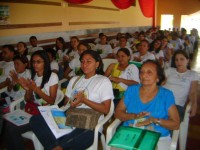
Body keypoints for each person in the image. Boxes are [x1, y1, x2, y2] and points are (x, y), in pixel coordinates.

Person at [30, 50, 114, 150]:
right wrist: (72, 102)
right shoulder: (75, 80)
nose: (84, 64)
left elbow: (106, 109)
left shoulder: (103, 81)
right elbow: (66, 103)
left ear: (97, 63)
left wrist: (83, 100)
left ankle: (56, 146)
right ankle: (55, 146)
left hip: (89, 125)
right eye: (82, 61)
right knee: (36, 119)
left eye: (88, 61)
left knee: (64, 142)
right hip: (69, 118)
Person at [115, 60, 180, 150]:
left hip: (157, 136)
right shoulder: (131, 90)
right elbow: (118, 113)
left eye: (149, 72)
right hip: (131, 132)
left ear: (158, 78)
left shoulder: (166, 95)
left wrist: (154, 120)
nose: (144, 75)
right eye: (141, 72)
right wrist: (134, 116)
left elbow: (175, 124)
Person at [5, 50, 59, 150]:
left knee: (12, 129)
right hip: (32, 110)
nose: (35, 64)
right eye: (33, 62)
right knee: (8, 126)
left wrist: (35, 89)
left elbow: (52, 101)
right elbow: (28, 99)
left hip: (45, 113)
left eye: (38, 62)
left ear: (45, 62)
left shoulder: (52, 76)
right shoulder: (33, 76)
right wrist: (28, 90)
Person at [163, 50, 199, 120]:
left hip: (176, 105)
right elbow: (163, 84)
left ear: (187, 60)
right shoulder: (169, 71)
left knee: (166, 121)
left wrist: (194, 104)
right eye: (176, 60)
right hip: (161, 100)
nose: (179, 62)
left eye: (182, 59)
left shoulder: (193, 74)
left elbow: (193, 92)